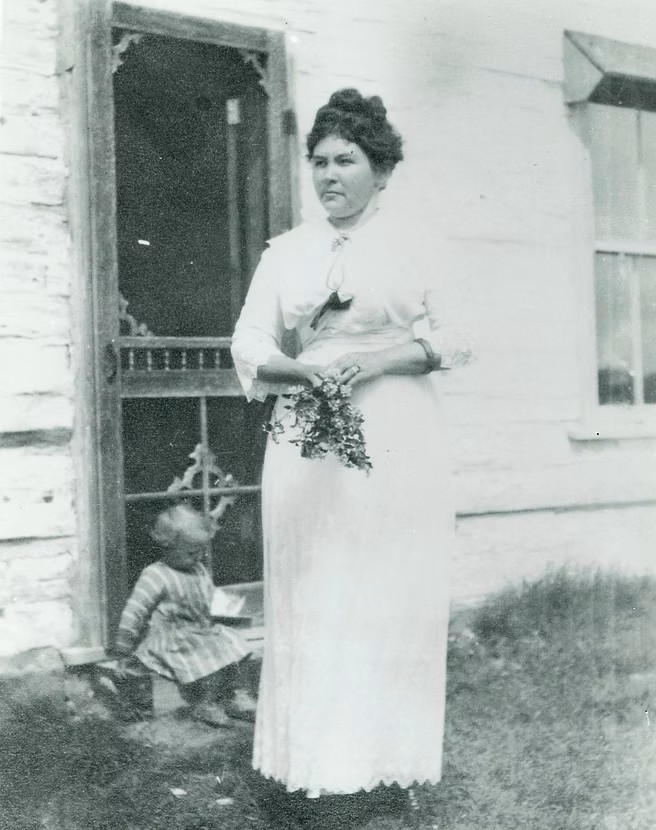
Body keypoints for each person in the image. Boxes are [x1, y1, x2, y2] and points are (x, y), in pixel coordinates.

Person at [231, 89, 472, 804]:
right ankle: (314, 769)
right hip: (309, 424)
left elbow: (459, 337)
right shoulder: (288, 253)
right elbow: (248, 340)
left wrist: (377, 361)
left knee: (388, 592)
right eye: (319, 162)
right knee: (316, 585)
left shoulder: (419, 244)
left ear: (383, 170)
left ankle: (383, 769)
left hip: (398, 428)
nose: (329, 174)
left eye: (347, 160)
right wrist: (302, 369)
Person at [113, 503, 257, 727]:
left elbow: (209, 597)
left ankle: (233, 695)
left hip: (201, 627)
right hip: (173, 635)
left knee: (237, 645)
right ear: (167, 546)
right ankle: (205, 703)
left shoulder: (197, 569)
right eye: (191, 552)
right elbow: (135, 611)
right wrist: (123, 650)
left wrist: (227, 607)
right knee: (206, 654)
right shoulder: (155, 575)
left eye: (202, 551)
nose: (198, 557)